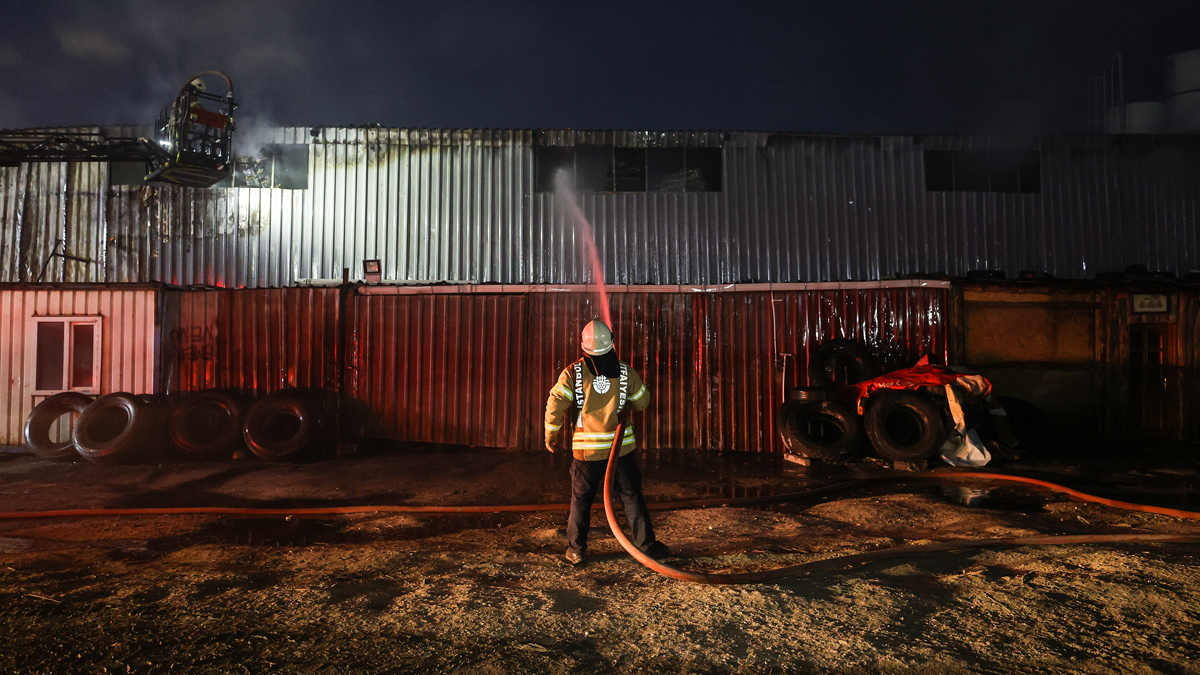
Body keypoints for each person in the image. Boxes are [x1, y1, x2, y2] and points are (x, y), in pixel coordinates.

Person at [544, 319, 671, 565]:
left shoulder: (572, 372)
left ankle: (576, 550)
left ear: (583, 345)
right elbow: (643, 402)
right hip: (620, 450)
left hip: (587, 453)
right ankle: (647, 547)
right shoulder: (625, 371)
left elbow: (556, 403)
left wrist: (551, 433)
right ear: (612, 342)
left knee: (581, 501)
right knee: (631, 496)